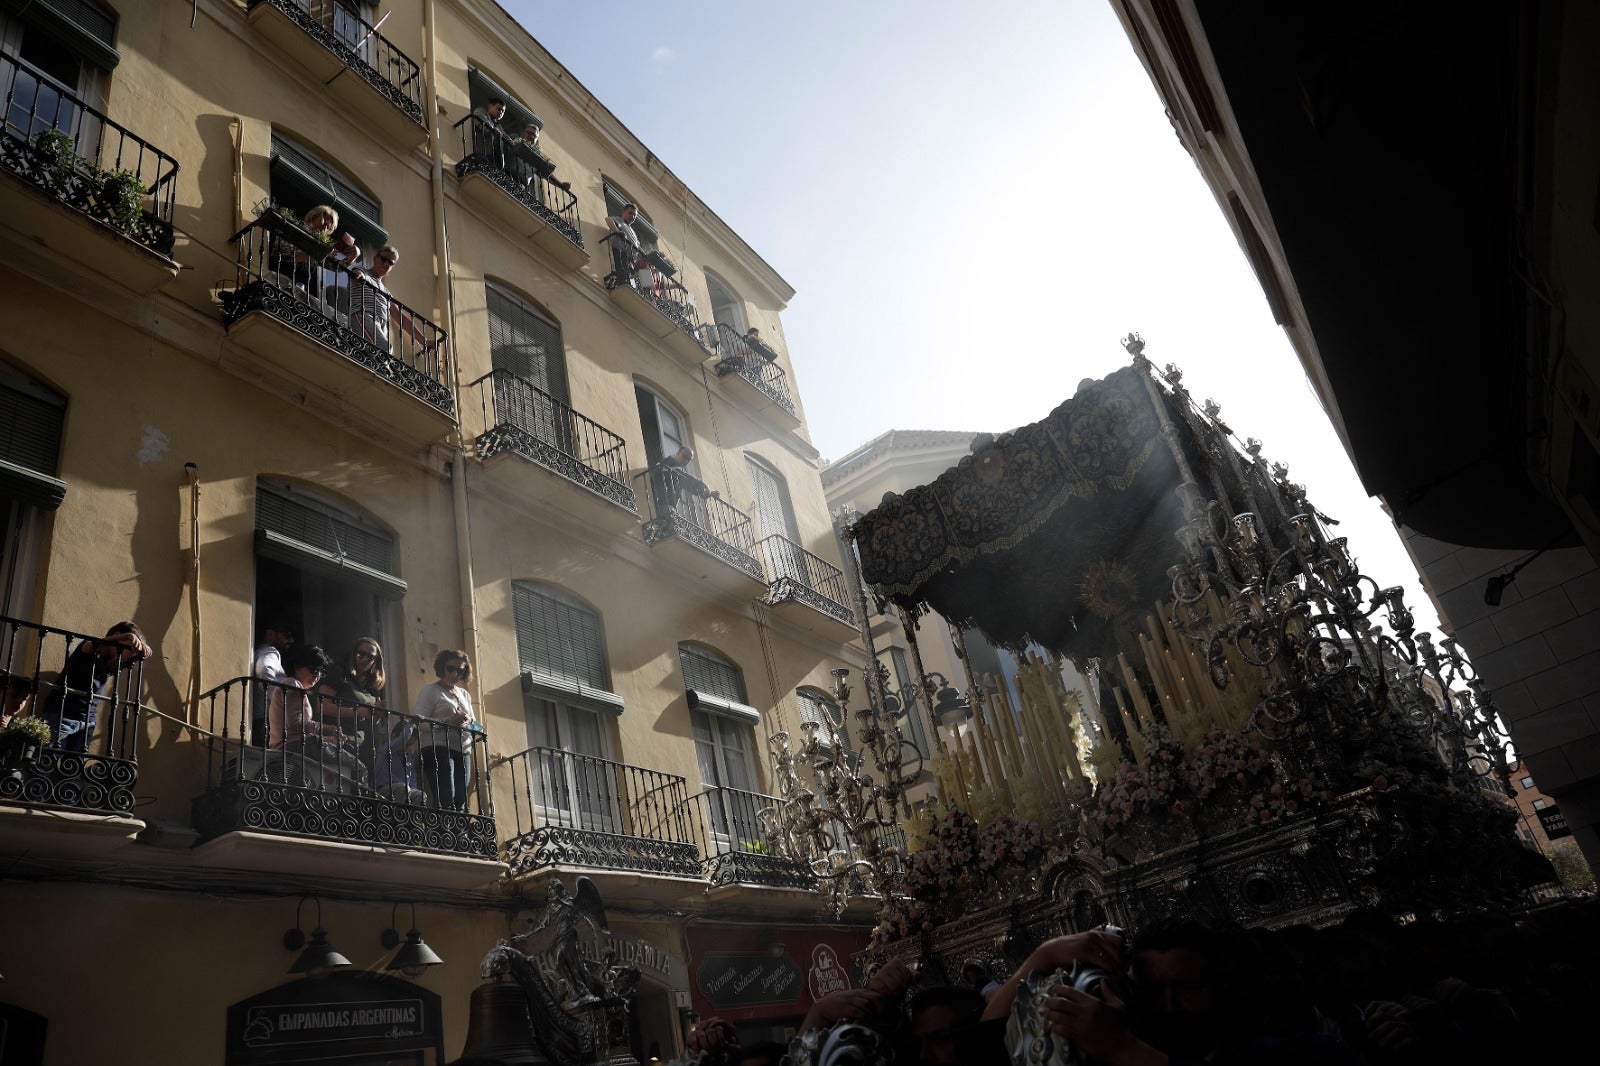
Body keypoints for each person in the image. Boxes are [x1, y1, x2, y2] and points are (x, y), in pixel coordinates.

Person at [32, 622, 151, 753]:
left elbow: (126, 660)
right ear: (117, 636)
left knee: (73, 769)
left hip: (88, 722)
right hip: (61, 715)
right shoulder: (87, 646)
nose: (128, 653)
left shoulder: (110, 664)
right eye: (130, 647)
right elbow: (92, 645)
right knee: (45, 763)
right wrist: (127, 636)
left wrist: (140, 651)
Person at [414, 649, 478, 811]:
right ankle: (444, 835)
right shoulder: (430, 691)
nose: (455, 673)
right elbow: (418, 722)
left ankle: (459, 835)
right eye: (451, 668)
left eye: (460, 670)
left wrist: (469, 722)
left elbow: (474, 723)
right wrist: (448, 721)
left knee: (461, 798)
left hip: (463, 750)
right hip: (438, 748)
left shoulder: (464, 694)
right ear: (442, 667)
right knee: (446, 794)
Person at [347, 247, 437, 358]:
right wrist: (358, 275)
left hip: (381, 325)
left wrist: (424, 341)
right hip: (363, 315)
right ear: (375, 258)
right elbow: (357, 274)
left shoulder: (386, 292)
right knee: (385, 349)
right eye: (383, 259)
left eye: (390, 263)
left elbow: (401, 318)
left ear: (391, 268)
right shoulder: (363, 271)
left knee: (382, 355)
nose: (385, 264)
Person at [252, 622, 294, 744]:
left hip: (260, 721)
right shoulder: (270, 652)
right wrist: (280, 701)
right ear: (270, 634)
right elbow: (265, 670)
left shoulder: (261, 651)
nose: (291, 640)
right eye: (287, 635)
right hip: (264, 721)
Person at [512, 123, 572, 191]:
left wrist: (561, 185)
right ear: (522, 133)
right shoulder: (514, 138)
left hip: (521, 186)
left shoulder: (537, 156)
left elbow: (546, 173)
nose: (531, 136)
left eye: (534, 136)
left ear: (536, 140)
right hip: (506, 175)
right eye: (529, 133)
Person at [472, 97, 509, 165]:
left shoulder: (498, 125)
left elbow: (506, 137)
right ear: (490, 107)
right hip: (483, 153)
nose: (501, 112)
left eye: (503, 111)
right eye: (498, 109)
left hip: (495, 158)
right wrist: (493, 129)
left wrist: (516, 144)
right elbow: (481, 119)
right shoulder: (480, 111)